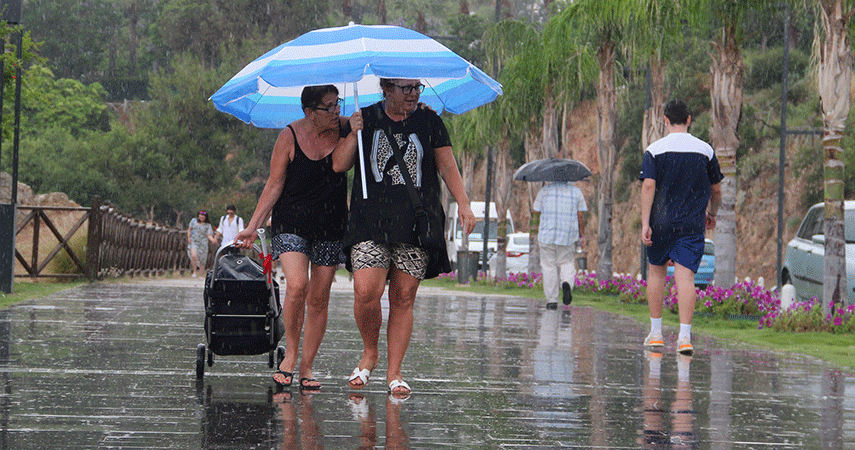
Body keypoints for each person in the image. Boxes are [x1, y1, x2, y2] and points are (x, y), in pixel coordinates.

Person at [332, 78, 476, 397]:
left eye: (416, 88)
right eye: (405, 88)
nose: (413, 94)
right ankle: (370, 352)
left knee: (404, 296)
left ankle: (394, 372)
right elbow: (339, 164)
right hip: (370, 219)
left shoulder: (429, 121)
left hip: (415, 220)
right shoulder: (364, 118)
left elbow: (447, 165)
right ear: (386, 88)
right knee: (366, 290)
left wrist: (464, 204)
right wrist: (353, 132)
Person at [234, 85, 349, 391]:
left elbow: (386, 128)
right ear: (309, 112)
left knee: (320, 297)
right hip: (291, 223)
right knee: (297, 286)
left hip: (331, 225)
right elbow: (274, 185)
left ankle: (308, 366)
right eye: (329, 107)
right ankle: (292, 354)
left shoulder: (348, 129)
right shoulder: (289, 136)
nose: (336, 111)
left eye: (338, 104)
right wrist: (252, 225)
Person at [640, 99, 723, 355]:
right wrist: (712, 213)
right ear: (689, 120)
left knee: (656, 273)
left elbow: (648, 186)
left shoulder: (654, 150)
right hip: (692, 225)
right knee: (685, 278)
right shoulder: (705, 150)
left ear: (664, 120)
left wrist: (645, 222)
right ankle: (685, 338)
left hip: (661, 223)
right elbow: (716, 188)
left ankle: (656, 334)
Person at [533, 181, 587, 310]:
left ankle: (552, 300)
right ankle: (566, 283)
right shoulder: (576, 192)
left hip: (547, 235)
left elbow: (535, 210)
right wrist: (582, 234)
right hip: (567, 235)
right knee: (567, 262)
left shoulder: (544, 191)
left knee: (548, 266)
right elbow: (580, 215)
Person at [187, 211, 216, 278]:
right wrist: (188, 237)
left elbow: (208, 235)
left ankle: (201, 274)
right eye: (200, 215)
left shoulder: (207, 225)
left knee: (202, 259)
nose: (202, 217)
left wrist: (213, 240)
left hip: (203, 243)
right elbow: (189, 229)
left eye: (203, 216)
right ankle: (194, 271)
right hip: (194, 241)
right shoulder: (193, 221)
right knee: (194, 255)